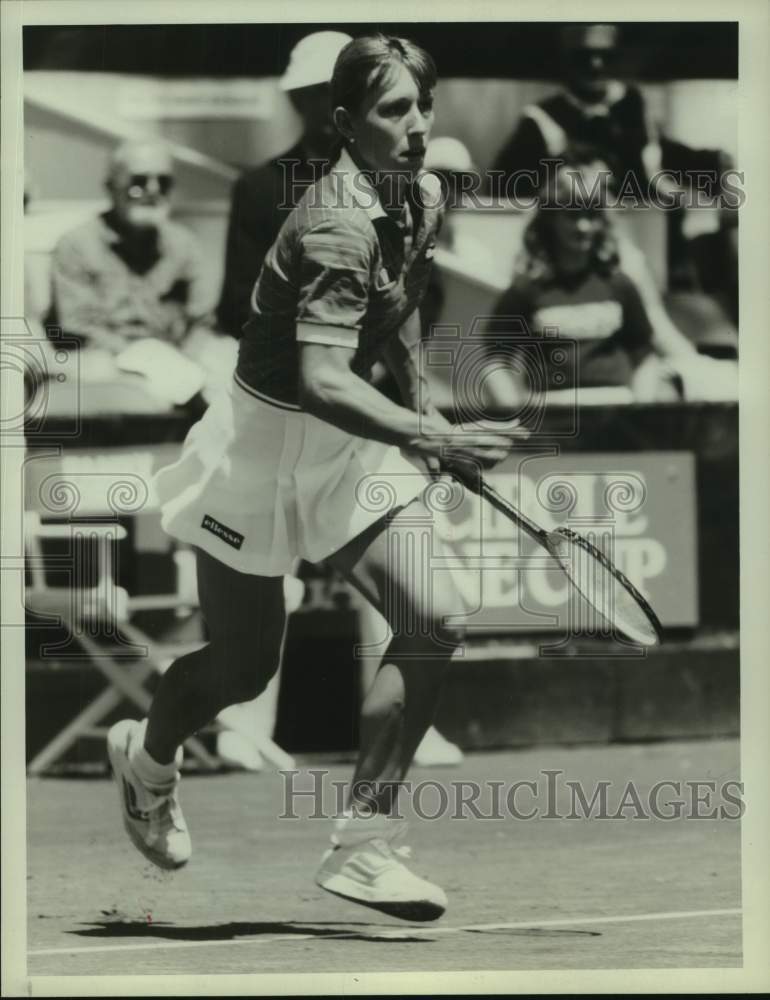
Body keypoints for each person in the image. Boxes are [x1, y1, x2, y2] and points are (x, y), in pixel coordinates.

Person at [106, 34, 519, 921]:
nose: (416, 128)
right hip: (261, 448)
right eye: (392, 111)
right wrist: (428, 438)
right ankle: (147, 760)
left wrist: (423, 421)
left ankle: (364, 847)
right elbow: (323, 380)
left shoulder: (423, 194)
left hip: (344, 449)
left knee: (435, 618)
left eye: (424, 107)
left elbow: (398, 314)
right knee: (244, 670)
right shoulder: (334, 219)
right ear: (343, 124)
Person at [482, 157, 699, 408]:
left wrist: (638, 409)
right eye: (572, 215)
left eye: (592, 215)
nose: (584, 226)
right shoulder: (526, 291)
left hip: (615, 412)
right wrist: (517, 413)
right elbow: (496, 362)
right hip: (553, 417)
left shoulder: (620, 285)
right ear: (551, 220)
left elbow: (644, 357)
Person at [215, 31, 352, 338]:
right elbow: (238, 304)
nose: (335, 104)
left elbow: (424, 290)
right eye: (322, 91)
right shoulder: (260, 189)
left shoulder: (393, 184)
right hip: (286, 369)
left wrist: (382, 359)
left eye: (347, 92)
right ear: (297, 98)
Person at [49, 140, 215, 353]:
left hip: (172, 359)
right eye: (139, 181)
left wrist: (187, 358)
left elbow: (201, 320)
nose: (153, 190)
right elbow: (77, 327)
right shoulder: (76, 245)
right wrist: (136, 356)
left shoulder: (184, 245)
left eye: (163, 182)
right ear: (111, 187)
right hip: (106, 359)